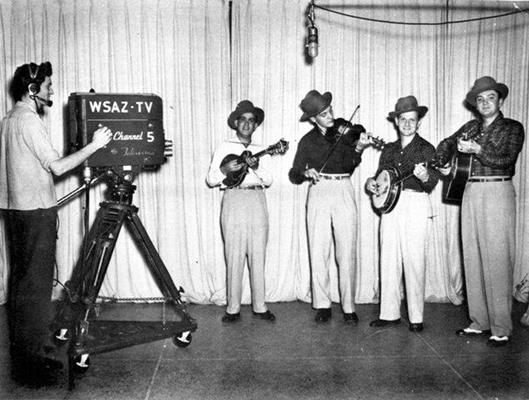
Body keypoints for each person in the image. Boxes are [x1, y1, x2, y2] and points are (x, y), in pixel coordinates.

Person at [0, 61, 112, 385]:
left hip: (16, 213)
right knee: (36, 292)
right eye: (47, 86)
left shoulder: (9, 119)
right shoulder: (29, 121)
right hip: (36, 214)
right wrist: (95, 145)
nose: (51, 91)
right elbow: (58, 167)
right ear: (33, 90)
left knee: (21, 290)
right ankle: (32, 368)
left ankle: (26, 361)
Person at [436, 76, 525, 347]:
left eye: (491, 98)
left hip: (497, 190)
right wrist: (443, 163)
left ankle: (500, 326)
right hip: (470, 191)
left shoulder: (512, 128)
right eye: (480, 99)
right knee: (472, 255)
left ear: (500, 101)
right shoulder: (470, 126)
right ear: (475, 104)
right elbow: (446, 144)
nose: (485, 102)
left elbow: (505, 159)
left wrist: (478, 149)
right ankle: (479, 321)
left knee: (497, 257)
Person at [289, 90, 370, 324]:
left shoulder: (345, 135)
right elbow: (294, 173)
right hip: (319, 191)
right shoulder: (307, 141)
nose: (331, 116)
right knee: (319, 250)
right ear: (313, 119)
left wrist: (358, 149)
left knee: (347, 252)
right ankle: (323, 304)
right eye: (324, 114)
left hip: (343, 187)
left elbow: (350, 165)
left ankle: (348, 306)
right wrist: (305, 172)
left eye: (330, 110)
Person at [366, 96, 439, 333]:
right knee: (389, 259)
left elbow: (432, 183)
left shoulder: (427, 149)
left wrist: (424, 176)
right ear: (396, 122)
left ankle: (416, 317)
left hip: (416, 204)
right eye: (403, 119)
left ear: (418, 123)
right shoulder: (388, 149)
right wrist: (372, 184)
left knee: (415, 260)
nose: (407, 124)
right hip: (390, 207)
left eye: (412, 120)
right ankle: (389, 314)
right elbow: (380, 177)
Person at [206, 100, 276, 323]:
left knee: (258, 254)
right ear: (236, 123)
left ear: (256, 126)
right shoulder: (224, 147)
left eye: (251, 121)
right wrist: (224, 170)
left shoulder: (260, 150)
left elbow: (269, 180)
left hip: (256, 199)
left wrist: (256, 167)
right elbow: (211, 179)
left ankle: (260, 307)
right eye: (243, 119)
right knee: (234, 254)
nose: (247, 124)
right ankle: (233, 308)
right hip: (233, 199)